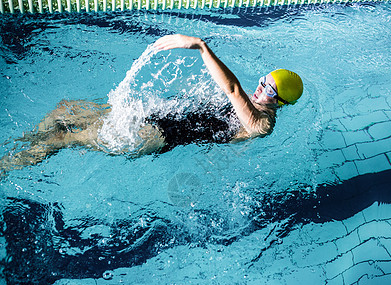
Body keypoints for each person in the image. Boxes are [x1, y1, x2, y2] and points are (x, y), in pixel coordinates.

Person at [0, 34, 303, 174]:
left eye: (269, 90)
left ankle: (7, 165)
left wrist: (200, 46)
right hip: (155, 114)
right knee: (65, 109)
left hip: (157, 137)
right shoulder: (255, 105)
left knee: (63, 137)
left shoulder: (262, 124)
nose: (260, 88)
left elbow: (234, 89)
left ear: (281, 102)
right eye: (263, 81)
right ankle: (23, 143)